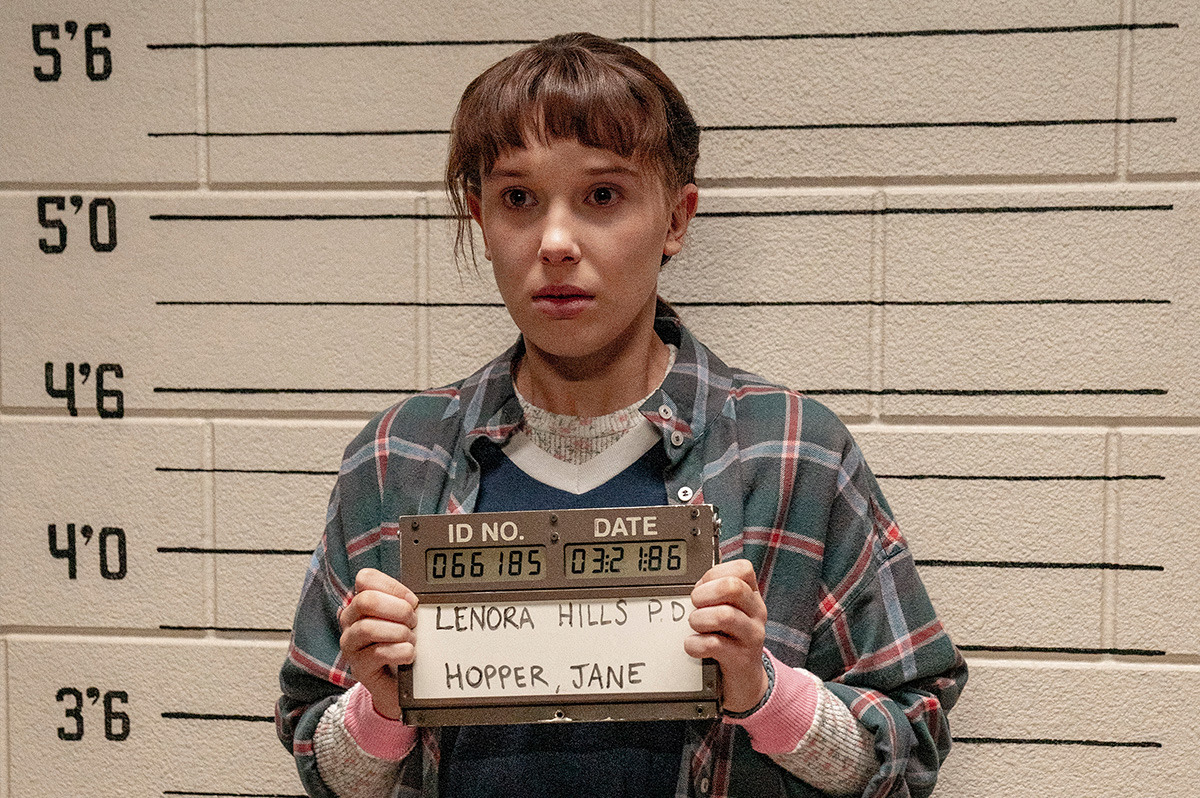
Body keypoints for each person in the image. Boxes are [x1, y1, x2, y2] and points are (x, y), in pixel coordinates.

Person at [277, 32, 966, 798]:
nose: (557, 242)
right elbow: (320, 759)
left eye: (603, 197)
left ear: (676, 219)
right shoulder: (395, 459)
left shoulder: (795, 454)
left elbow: (909, 746)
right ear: (480, 218)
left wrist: (763, 692)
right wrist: (380, 711)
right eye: (517, 200)